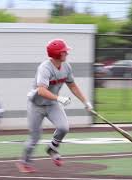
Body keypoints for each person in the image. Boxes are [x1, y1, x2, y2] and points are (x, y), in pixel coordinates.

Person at [16, 39, 93, 173]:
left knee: (64, 127)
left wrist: (85, 102)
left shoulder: (66, 67)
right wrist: (59, 98)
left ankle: (52, 148)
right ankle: (24, 162)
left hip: (52, 104)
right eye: (65, 51)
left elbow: (72, 85)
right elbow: (41, 90)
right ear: (58, 54)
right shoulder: (44, 68)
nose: (67, 53)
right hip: (36, 105)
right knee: (35, 137)